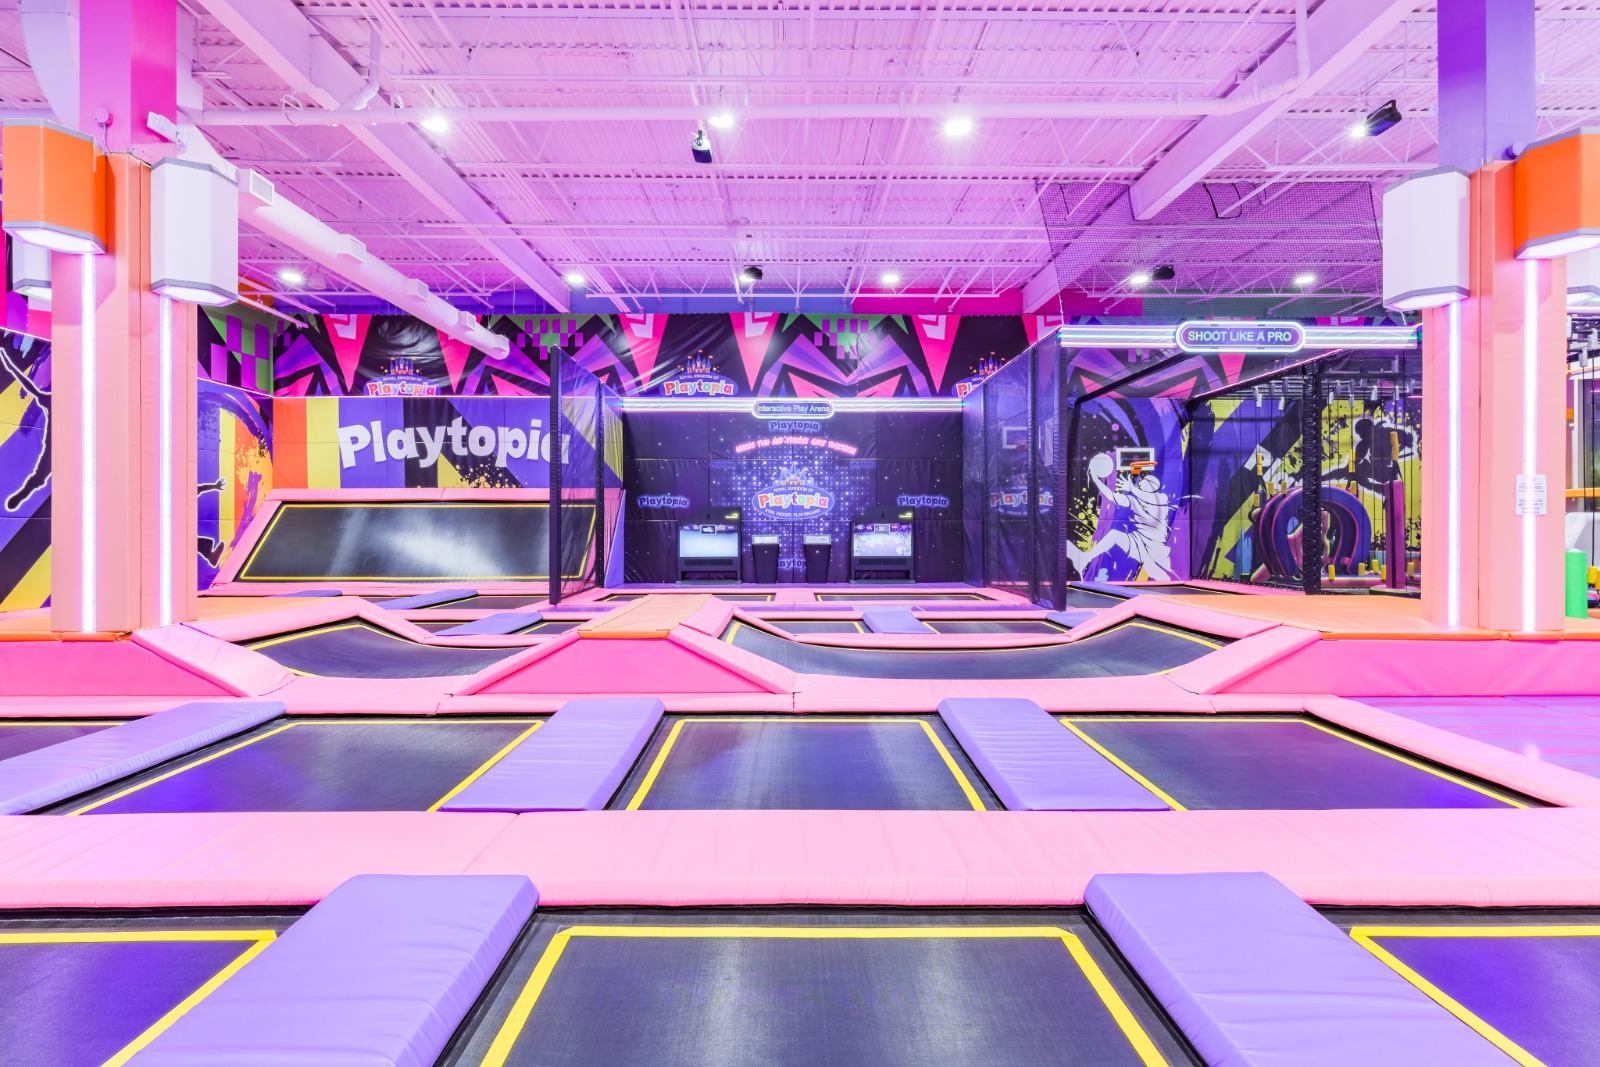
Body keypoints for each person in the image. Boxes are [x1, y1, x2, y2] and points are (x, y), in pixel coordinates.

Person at [1067, 452, 1176, 581]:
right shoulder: (1134, 500)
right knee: (1115, 535)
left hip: (1155, 547)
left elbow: (1149, 498)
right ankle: (1085, 558)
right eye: (1140, 484)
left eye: (1144, 483)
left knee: (1161, 574)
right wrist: (1095, 479)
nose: (1141, 484)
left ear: (1153, 487)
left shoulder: (1160, 499)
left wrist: (1133, 488)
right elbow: (1110, 495)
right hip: (1139, 541)